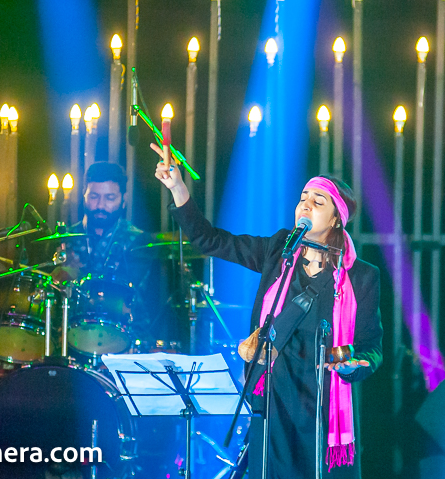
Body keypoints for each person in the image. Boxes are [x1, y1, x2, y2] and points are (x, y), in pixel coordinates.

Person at [152, 146, 383, 479]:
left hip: (325, 403)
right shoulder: (279, 250)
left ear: (337, 218)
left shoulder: (361, 276)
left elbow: (371, 345)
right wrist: (178, 190)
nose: (306, 205)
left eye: (318, 202)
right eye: (303, 198)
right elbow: (211, 241)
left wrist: (357, 364)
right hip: (274, 394)